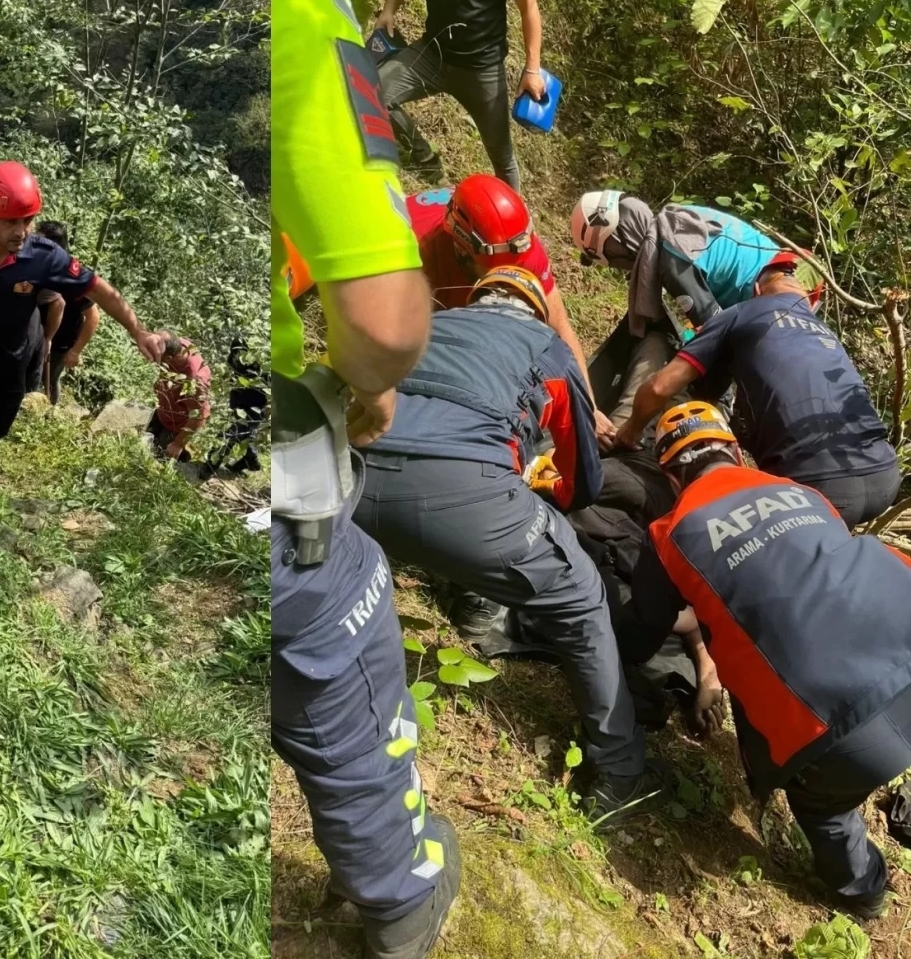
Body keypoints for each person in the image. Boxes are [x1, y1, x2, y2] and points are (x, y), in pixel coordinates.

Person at [272, 0, 456, 953]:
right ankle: (400, 886)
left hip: (166, 397)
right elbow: (383, 324)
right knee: (339, 614)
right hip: (277, 422)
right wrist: (370, 388)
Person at [352, 267, 656, 817]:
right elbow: (583, 482)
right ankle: (621, 766)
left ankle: (474, 604)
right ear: (537, 310)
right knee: (581, 596)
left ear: (475, 300)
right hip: (464, 498)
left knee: (465, 517)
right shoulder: (548, 348)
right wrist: (538, 489)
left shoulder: (427, 324)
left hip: (353, 484)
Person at [617, 401, 911, 919]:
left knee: (823, 806)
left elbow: (643, 633)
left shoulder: (671, 532)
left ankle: (865, 895)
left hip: (836, 731)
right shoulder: (802, 492)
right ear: (733, 449)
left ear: (670, 474)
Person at [0, 160, 165, 473]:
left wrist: (138, 330)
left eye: (28, 220)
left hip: (9, 363)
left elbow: (98, 289)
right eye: (11, 222)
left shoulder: (43, 257)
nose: (22, 231)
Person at [614, 254, 900, 527]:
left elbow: (659, 386)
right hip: (885, 478)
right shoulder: (826, 333)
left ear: (756, 289)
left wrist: (630, 431)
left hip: (814, 486)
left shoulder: (741, 314)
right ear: (811, 301)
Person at [570, 191, 824, 427]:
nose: (617, 267)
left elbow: (718, 334)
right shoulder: (674, 220)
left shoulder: (671, 258)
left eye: (610, 258)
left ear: (617, 242)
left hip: (773, 302)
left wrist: (709, 397)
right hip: (790, 281)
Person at [409, 174, 615, 447]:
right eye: (496, 271)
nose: (507, 279)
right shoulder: (414, 253)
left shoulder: (519, 247)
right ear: (462, 249)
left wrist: (587, 407)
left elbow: (561, 326)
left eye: (515, 268)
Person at [374, 0, 543, 188]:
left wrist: (531, 69)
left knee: (503, 159)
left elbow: (527, 5)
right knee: (373, 92)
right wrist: (389, 9)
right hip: (433, 52)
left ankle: (514, 230)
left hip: (482, 69)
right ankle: (424, 159)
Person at [23, 221, 101, 400]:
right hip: (36, 334)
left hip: (60, 342)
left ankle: (49, 416)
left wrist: (76, 351)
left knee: (48, 380)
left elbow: (93, 316)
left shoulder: (72, 276)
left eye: (40, 241)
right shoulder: (37, 266)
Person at [205, 336, 268, 475]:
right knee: (247, 435)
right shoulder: (233, 361)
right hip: (241, 406)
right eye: (235, 352)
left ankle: (210, 466)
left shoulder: (259, 366)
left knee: (228, 437)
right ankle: (251, 460)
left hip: (254, 409)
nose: (237, 355)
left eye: (241, 352)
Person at [147, 337, 211, 461]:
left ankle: (183, 456)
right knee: (146, 439)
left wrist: (178, 443)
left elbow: (200, 415)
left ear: (168, 359)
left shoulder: (194, 381)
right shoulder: (174, 344)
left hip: (177, 425)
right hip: (164, 411)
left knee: (158, 456)